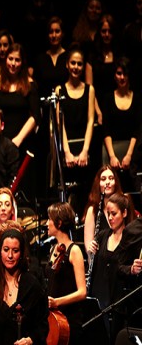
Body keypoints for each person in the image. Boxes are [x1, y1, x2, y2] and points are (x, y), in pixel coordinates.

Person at [0, 228, 49, 345]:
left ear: (22, 253)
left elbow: (43, 325)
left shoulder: (32, 285)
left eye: (15, 251)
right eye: (6, 250)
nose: (10, 256)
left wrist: (30, 340)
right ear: (0, 251)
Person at [87, 193, 140, 345]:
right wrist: (91, 253)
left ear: (124, 213)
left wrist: (133, 269)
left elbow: (125, 269)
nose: (110, 218)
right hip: (99, 299)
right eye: (108, 214)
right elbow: (95, 268)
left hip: (118, 302)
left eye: (114, 213)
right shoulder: (103, 235)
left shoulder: (132, 238)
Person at [44, 202, 87, 345]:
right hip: (52, 318)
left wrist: (57, 302)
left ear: (59, 222)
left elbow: (82, 292)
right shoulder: (53, 249)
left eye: (49, 219)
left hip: (69, 320)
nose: (47, 223)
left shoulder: (74, 250)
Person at [56, 46, 96, 217]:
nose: (76, 67)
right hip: (68, 149)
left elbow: (90, 120)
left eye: (79, 64)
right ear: (67, 65)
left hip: (84, 148)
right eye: (73, 63)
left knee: (87, 194)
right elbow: (60, 124)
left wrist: (85, 151)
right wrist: (67, 152)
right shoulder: (60, 90)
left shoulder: (89, 89)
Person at [0, 43, 40, 156]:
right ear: (5, 60)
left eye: (17, 60)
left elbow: (35, 116)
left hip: (23, 142)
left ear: (22, 62)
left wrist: (18, 139)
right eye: (10, 59)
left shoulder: (30, 84)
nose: (13, 64)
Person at [101, 57, 141, 192]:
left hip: (132, 150)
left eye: (125, 74)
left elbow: (137, 129)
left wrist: (129, 155)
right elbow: (106, 130)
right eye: (119, 73)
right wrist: (112, 156)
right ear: (114, 76)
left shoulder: (137, 98)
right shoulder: (107, 98)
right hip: (112, 150)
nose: (122, 77)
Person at [85, 14, 121, 125]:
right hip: (97, 105)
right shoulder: (92, 56)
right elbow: (89, 87)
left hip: (117, 105)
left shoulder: (119, 55)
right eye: (103, 31)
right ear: (99, 32)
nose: (107, 35)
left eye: (110, 31)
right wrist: (99, 112)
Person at [83, 165, 124, 257]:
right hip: (100, 263)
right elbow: (88, 247)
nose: (107, 182)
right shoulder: (92, 210)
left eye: (111, 178)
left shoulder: (124, 206)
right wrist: (90, 249)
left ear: (115, 182)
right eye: (103, 179)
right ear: (98, 183)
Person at [30, 16, 69, 100]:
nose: (54, 35)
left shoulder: (69, 57)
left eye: (57, 31)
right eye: (51, 32)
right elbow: (36, 87)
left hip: (66, 105)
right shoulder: (40, 59)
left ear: (63, 34)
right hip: (45, 106)